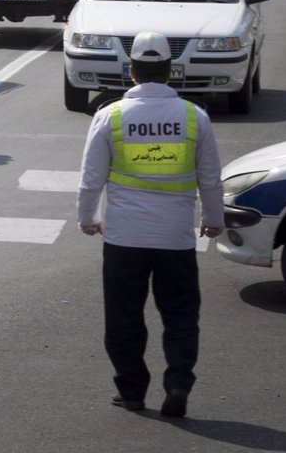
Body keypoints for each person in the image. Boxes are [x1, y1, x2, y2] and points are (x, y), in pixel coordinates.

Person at [77, 31, 224, 419]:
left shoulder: (111, 116)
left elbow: (91, 178)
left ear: (131, 72)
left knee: (124, 316)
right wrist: (212, 220)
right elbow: (210, 178)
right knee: (180, 315)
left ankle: (131, 392)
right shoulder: (195, 117)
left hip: (125, 237)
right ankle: (177, 383)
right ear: (171, 71)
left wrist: (87, 219)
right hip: (175, 238)